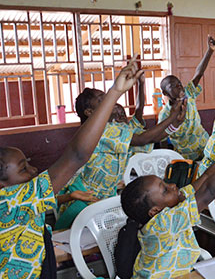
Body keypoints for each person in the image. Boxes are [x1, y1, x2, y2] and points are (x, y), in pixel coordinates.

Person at [0, 60, 143, 279]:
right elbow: (77, 155)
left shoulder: (24, 205)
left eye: (29, 164)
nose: (33, 172)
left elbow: (27, 271)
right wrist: (114, 92)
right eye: (22, 170)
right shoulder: (10, 202)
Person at [120, 117, 215, 279]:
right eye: (165, 190)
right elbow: (209, 191)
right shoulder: (161, 224)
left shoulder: (175, 202)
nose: (173, 185)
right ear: (155, 211)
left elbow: (207, 177)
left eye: (165, 183)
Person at [55, 80, 186, 229]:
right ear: (89, 112)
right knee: (79, 237)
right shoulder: (100, 131)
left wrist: (174, 125)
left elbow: (144, 134)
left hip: (104, 198)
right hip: (83, 198)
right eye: (101, 99)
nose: (108, 101)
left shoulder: (115, 128)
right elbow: (145, 138)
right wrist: (173, 115)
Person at [158, 35, 215, 161]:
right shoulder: (164, 115)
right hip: (185, 156)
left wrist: (210, 51)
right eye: (172, 86)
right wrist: (167, 159)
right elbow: (162, 139)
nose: (179, 87)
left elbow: (199, 73)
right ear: (165, 93)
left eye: (179, 83)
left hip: (205, 146)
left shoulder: (188, 95)